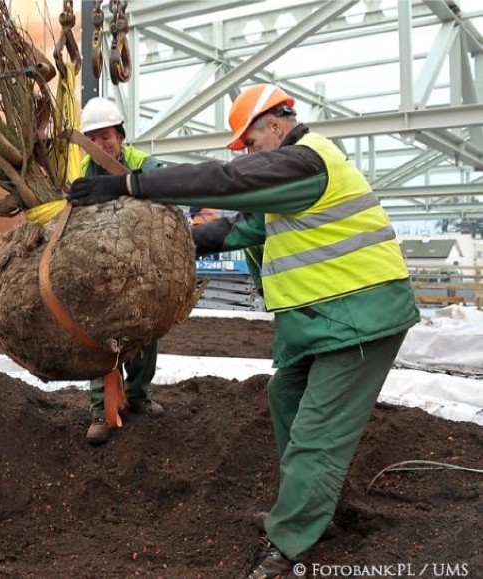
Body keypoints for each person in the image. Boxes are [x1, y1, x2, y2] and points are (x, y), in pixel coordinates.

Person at [69, 84, 420, 577]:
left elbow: (227, 180)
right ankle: (318, 507)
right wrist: (167, 249)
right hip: (327, 322)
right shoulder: (286, 183)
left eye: (250, 142)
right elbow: (239, 229)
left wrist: (127, 186)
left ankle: (290, 545)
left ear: (276, 123)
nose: (247, 153)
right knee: (285, 397)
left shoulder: (305, 161)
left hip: (362, 318)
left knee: (317, 433)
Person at [77, 97, 166, 445]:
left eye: (107, 136)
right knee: (100, 339)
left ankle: (139, 395)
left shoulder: (144, 164)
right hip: (100, 268)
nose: (102, 145)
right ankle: (100, 411)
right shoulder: (82, 173)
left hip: (140, 264)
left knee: (146, 333)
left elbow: (165, 186)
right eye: (94, 138)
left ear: (121, 136)